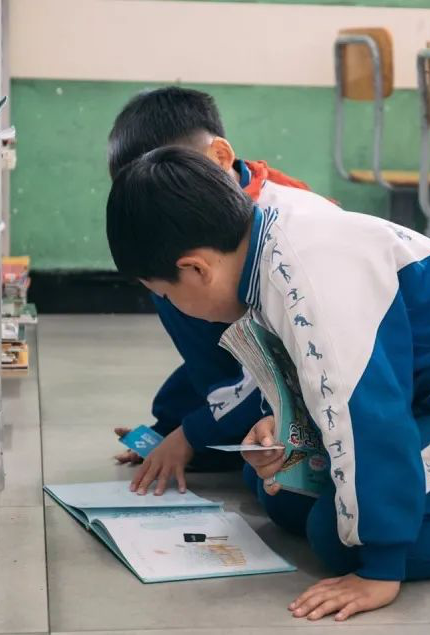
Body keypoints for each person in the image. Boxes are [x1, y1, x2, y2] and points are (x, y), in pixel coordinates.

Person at [106, 147, 430, 621]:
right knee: (284, 497)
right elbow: (321, 387)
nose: (173, 307)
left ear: (196, 268)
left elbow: (368, 413)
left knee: (340, 540)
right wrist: (284, 432)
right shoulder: (265, 248)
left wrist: (381, 568)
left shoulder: (310, 276)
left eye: (165, 294)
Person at [106, 86, 315, 495]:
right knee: (166, 277)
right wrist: (174, 426)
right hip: (257, 376)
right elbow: (221, 358)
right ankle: (209, 427)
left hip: (305, 384)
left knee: (278, 494)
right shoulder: (193, 240)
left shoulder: (286, 227)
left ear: (219, 156)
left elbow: (285, 364)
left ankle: (216, 430)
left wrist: (190, 435)